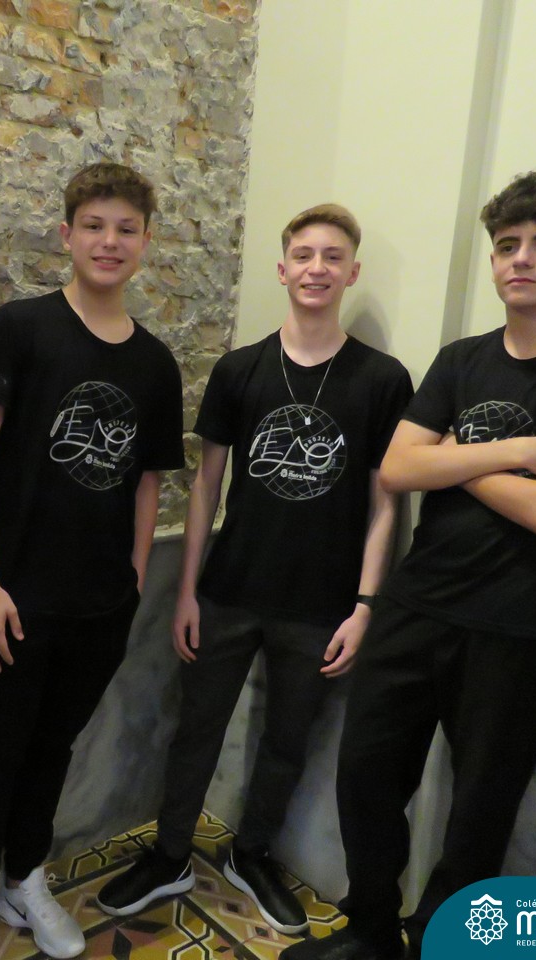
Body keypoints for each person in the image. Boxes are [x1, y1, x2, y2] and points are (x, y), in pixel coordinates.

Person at [293, 170, 536, 960]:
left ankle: (443, 939)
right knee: (366, 774)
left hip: (523, 621)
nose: (521, 259)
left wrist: (453, 456)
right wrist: (521, 451)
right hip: (418, 602)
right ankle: (370, 930)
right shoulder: (462, 359)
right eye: (507, 245)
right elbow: (396, 469)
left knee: (482, 806)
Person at [94, 205, 413, 934]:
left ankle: (254, 852)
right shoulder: (240, 370)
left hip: (324, 604)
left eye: (332, 257)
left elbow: (385, 503)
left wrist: (366, 605)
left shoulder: (382, 379)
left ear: (351, 273)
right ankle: (171, 854)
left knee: (287, 740)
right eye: (303, 255)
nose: (316, 268)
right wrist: (187, 591)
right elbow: (206, 486)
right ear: (282, 268)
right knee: (196, 729)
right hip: (229, 592)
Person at [0, 162, 185, 960]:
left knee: (52, 749)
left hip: (101, 603)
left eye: (126, 229)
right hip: (12, 598)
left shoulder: (155, 363)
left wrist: (135, 577)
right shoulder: (23, 328)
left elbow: (146, 480)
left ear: (145, 241)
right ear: (67, 235)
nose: (110, 241)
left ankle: (24, 877)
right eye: (94, 226)